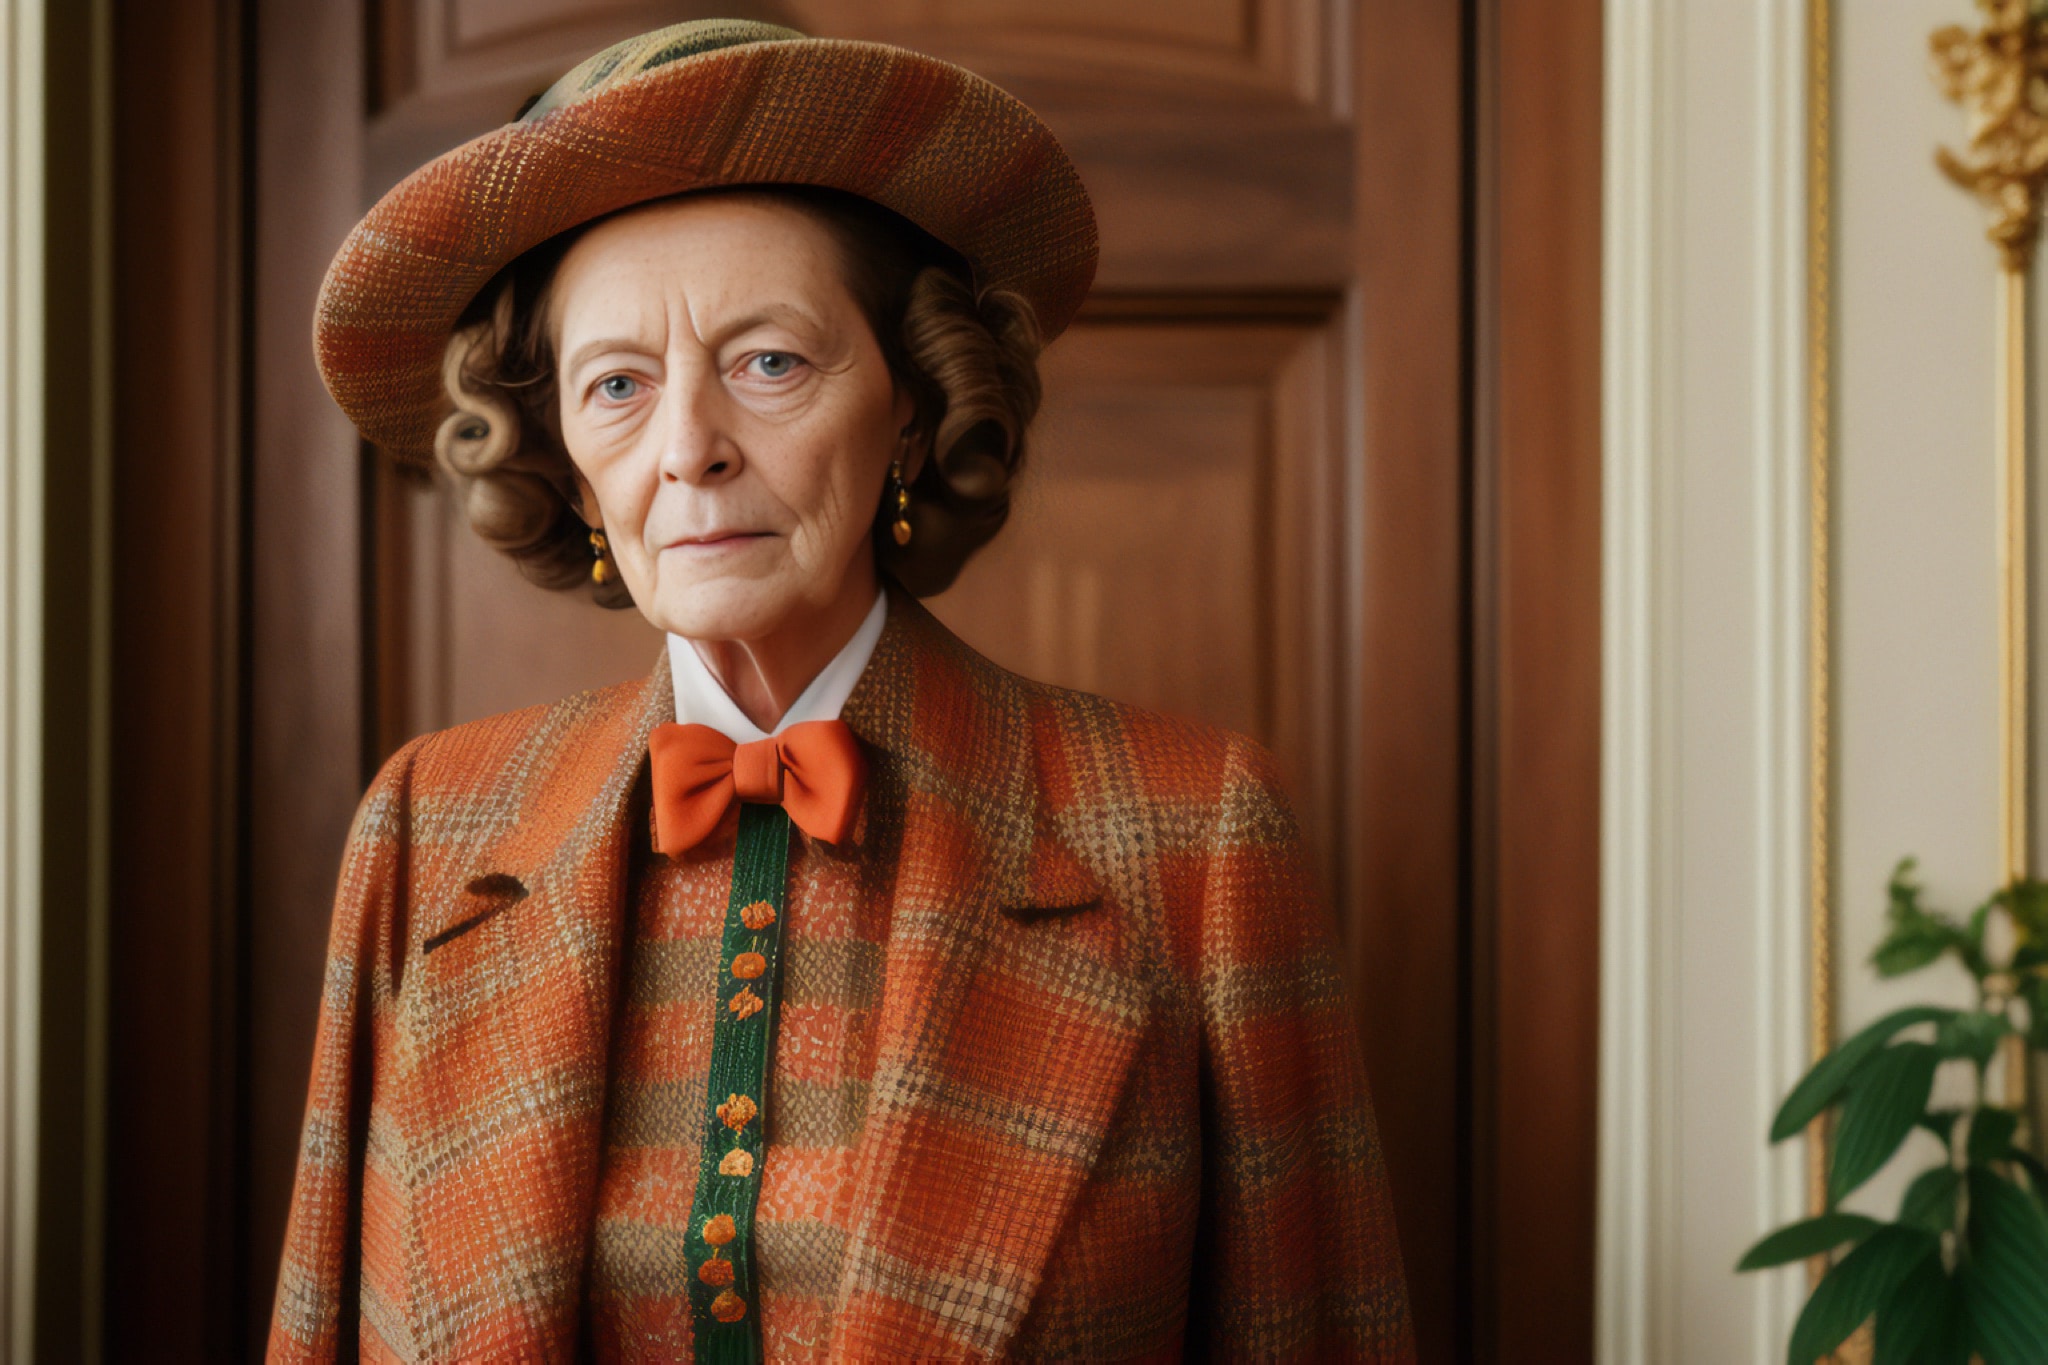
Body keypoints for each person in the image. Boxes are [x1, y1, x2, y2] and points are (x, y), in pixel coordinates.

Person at [269, 19, 1413, 1363]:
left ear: (915, 409)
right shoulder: (426, 828)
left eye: (770, 363)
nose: (689, 449)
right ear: (572, 466)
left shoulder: (1195, 835)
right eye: (618, 386)